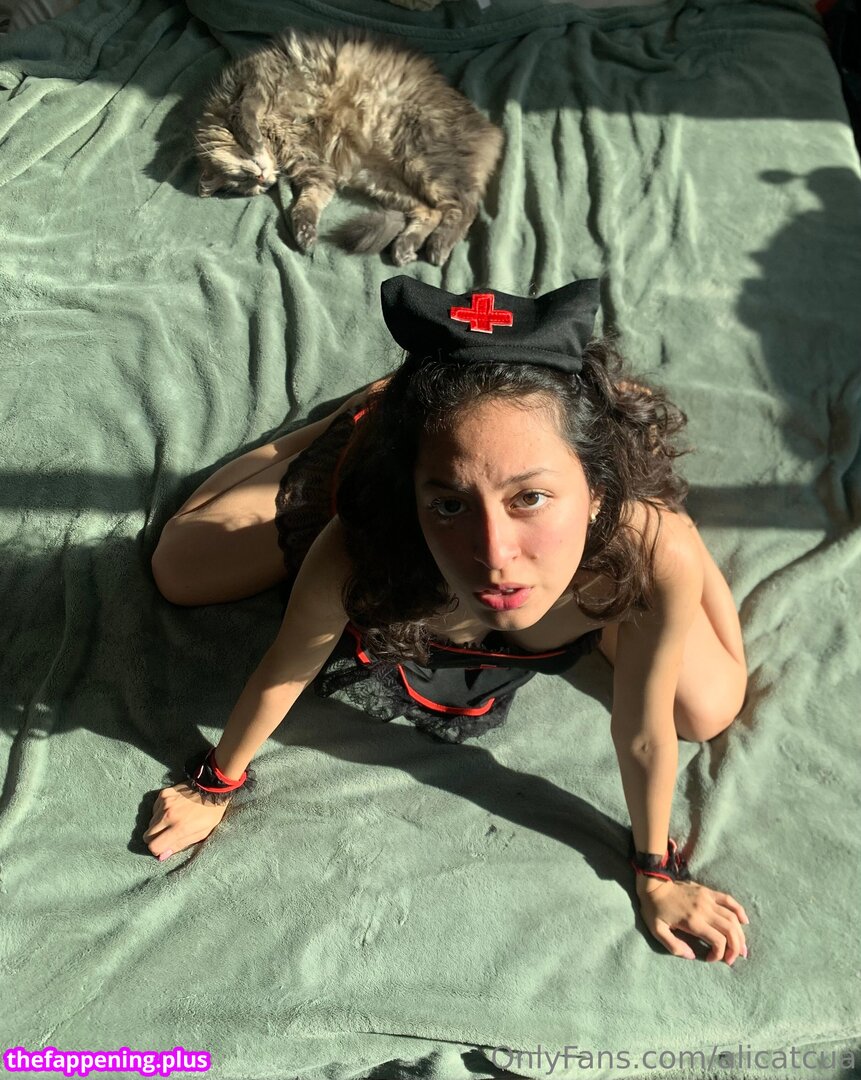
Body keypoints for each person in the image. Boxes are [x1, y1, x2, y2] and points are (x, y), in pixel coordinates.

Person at [145, 276, 750, 965]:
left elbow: (643, 730)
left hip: (613, 539)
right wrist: (214, 785)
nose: (493, 555)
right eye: (451, 505)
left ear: (596, 490)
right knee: (178, 568)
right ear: (413, 497)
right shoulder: (360, 545)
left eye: (529, 498)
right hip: (391, 482)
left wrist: (655, 873)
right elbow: (286, 667)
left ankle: (626, 492)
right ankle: (366, 412)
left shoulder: (644, 550)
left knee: (707, 709)